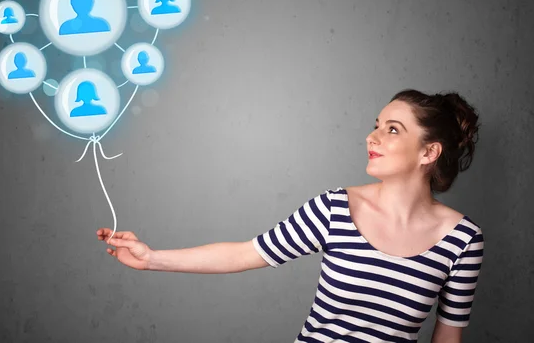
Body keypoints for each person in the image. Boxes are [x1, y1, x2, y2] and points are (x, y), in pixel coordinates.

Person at [97, 89, 484, 342]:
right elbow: (245, 254)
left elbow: (447, 338)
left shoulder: (463, 240)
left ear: (428, 153)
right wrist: (152, 259)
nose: (373, 137)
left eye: (393, 129)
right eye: (376, 126)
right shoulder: (335, 208)